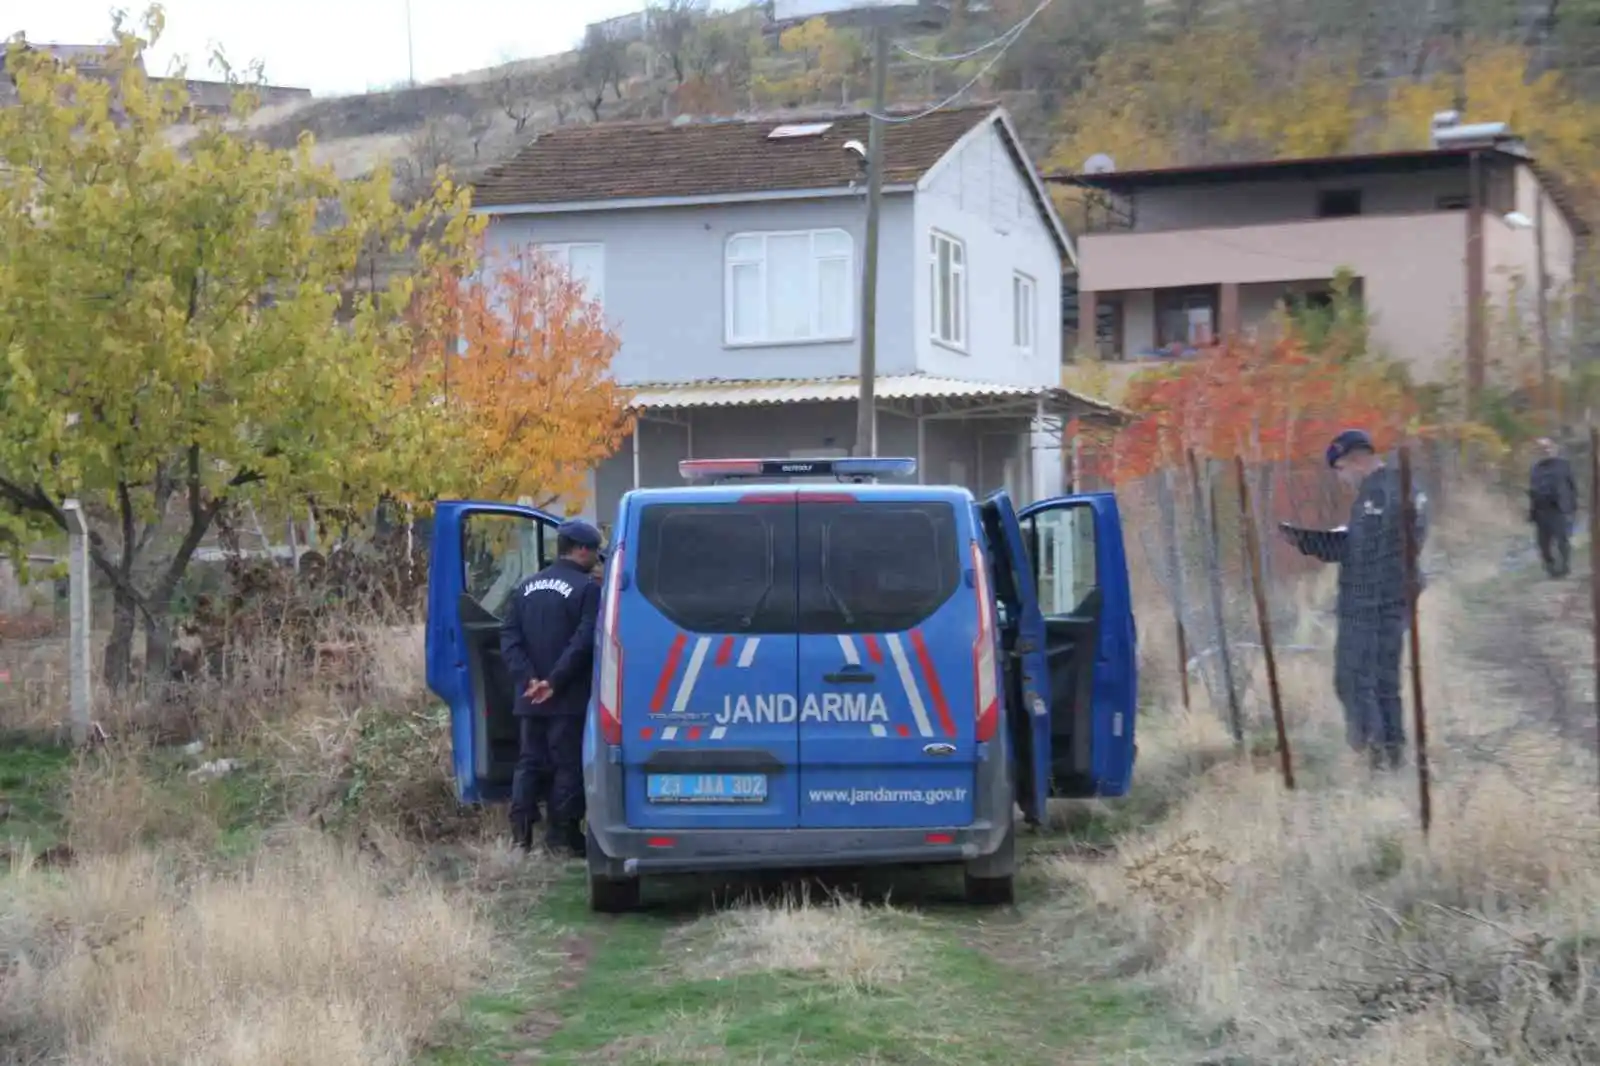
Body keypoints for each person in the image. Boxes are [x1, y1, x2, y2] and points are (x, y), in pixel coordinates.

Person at [1280, 429, 1428, 771]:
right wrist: (1308, 540)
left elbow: (1361, 550)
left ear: (1353, 461)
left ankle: (1374, 754)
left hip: (1371, 603)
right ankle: (1393, 756)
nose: (1342, 480)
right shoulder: (1404, 486)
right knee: (1383, 681)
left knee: (1353, 679)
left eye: (1341, 471)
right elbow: (1370, 543)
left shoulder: (1379, 493)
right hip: (1394, 597)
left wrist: (1309, 542)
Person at [499, 519, 604, 856]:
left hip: (529, 697)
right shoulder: (588, 589)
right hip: (567, 696)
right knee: (567, 764)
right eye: (595, 553)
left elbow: (509, 639)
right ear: (583, 550)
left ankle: (520, 838)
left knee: (528, 763)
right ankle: (562, 838)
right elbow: (583, 642)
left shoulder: (524, 587)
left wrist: (528, 679)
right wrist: (554, 682)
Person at [1527, 437, 1577, 578]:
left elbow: (1572, 486)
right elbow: (1533, 488)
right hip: (1541, 510)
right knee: (1543, 544)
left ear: (1554, 448)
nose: (1546, 450)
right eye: (1542, 448)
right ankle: (1551, 569)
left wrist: (1572, 506)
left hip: (1559, 509)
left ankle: (1564, 567)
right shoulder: (1535, 468)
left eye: (1548, 447)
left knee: (1562, 541)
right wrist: (1532, 510)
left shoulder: (1563, 465)